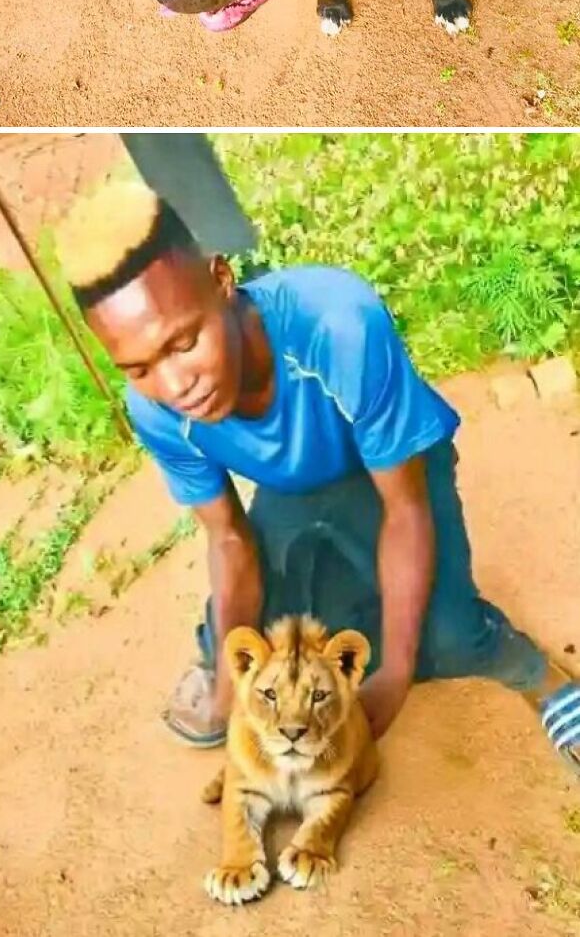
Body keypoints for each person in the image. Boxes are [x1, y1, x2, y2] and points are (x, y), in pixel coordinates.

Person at [55, 175, 580, 777]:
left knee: (447, 639)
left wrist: (395, 675)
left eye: (184, 342)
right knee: (273, 647)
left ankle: (531, 670)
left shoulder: (338, 325)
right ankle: (217, 659)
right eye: (140, 367)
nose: (176, 386)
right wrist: (231, 693)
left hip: (396, 467)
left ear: (222, 282)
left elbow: (405, 510)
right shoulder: (154, 410)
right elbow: (228, 539)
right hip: (295, 489)